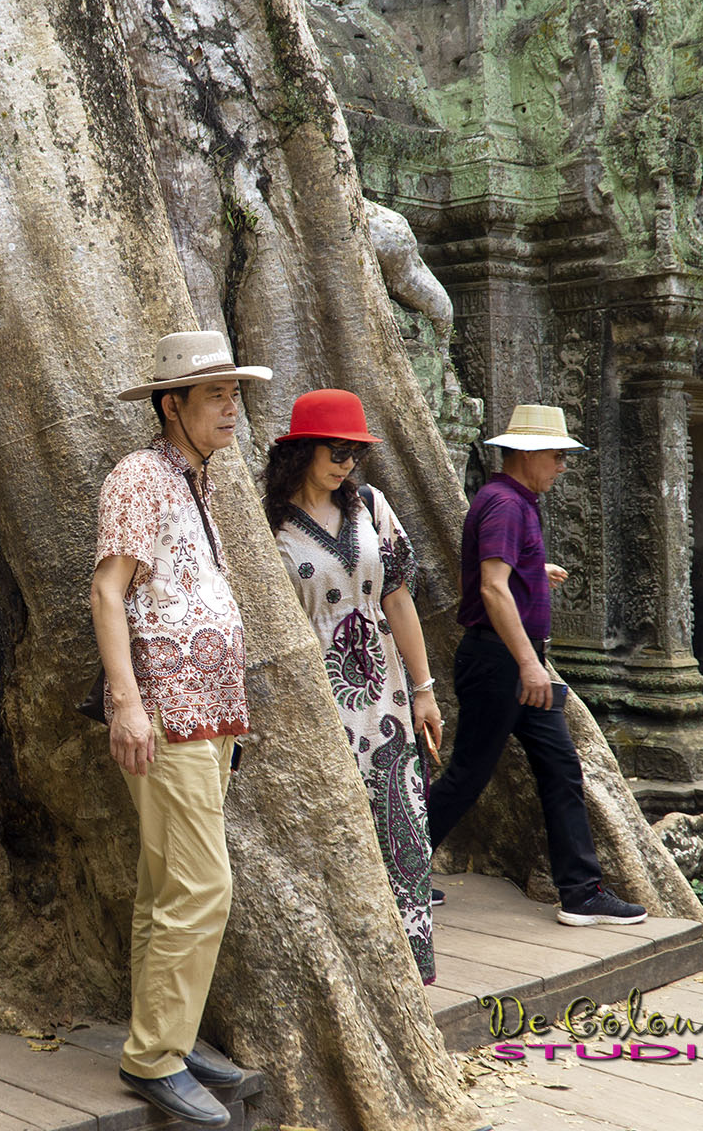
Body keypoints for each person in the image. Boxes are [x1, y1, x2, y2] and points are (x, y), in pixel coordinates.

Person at [91, 328, 270, 1128]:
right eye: (215, 396)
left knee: (167, 883)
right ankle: (154, 1057)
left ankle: (169, 1030)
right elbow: (107, 592)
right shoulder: (140, 475)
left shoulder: (194, 481)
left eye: (235, 394)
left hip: (208, 712)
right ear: (173, 405)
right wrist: (127, 703)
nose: (232, 408)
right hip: (168, 712)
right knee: (204, 886)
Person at [427, 404, 647, 927]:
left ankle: (581, 891)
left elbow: (500, 573)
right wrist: (529, 664)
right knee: (468, 774)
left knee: (560, 767)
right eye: (556, 455)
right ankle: (397, 870)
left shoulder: (514, 502)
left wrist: (533, 568)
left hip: (519, 659)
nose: (562, 467)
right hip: (503, 660)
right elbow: (490, 587)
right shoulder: (504, 503)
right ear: (526, 454)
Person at [263, 389, 441, 983]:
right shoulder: (269, 523)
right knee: (336, 827)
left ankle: (408, 970)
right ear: (302, 450)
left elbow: (396, 596)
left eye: (355, 452)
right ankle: (348, 972)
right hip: (315, 698)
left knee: (400, 819)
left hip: (385, 692)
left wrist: (424, 688)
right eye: (335, 450)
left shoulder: (369, 504)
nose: (346, 463)